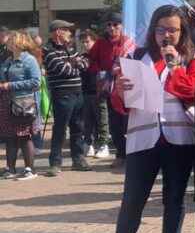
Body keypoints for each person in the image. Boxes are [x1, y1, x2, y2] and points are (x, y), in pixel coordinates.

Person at [87, 5, 195, 233]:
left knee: (174, 202)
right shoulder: (136, 57)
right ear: (153, 30)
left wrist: (175, 67)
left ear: (182, 32)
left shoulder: (193, 58)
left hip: (179, 141)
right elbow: (121, 106)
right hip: (143, 140)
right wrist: (118, 93)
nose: (167, 35)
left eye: (173, 30)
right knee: (131, 203)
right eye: (161, 29)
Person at [43, 20, 91, 176]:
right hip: (62, 95)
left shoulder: (70, 48)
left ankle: (78, 159)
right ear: (58, 32)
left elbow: (86, 64)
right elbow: (65, 70)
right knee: (60, 129)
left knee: (78, 127)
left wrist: (74, 63)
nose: (70, 33)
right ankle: (55, 163)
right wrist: (75, 64)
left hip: (78, 93)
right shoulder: (48, 50)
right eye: (67, 30)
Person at [89, 11, 135, 169]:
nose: (112, 28)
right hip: (109, 89)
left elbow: (136, 62)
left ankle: (133, 155)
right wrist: (102, 72)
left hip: (126, 88)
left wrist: (121, 69)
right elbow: (91, 60)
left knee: (129, 124)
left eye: (115, 24)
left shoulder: (128, 43)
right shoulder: (101, 43)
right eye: (109, 25)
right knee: (114, 125)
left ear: (121, 26)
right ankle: (121, 154)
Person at [0, 31, 42, 180]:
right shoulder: (8, 60)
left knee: (25, 137)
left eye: (11, 40)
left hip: (23, 103)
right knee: (10, 137)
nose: (7, 43)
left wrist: (10, 85)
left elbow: (36, 82)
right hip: (7, 103)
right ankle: (10, 169)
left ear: (19, 43)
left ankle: (30, 169)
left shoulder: (29, 60)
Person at [80, 29, 110, 159]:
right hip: (86, 92)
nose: (85, 44)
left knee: (101, 120)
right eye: (83, 42)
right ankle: (88, 143)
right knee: (87, 121)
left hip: (99, 93)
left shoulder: (100, 56)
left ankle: (104, 145)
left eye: (88, 41)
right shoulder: (83, 57)